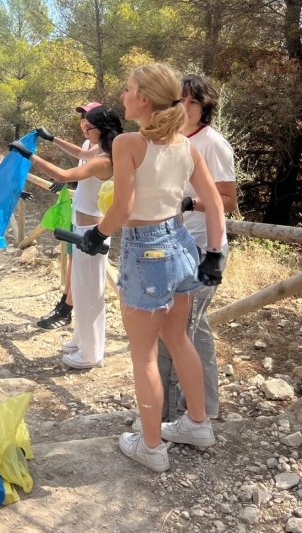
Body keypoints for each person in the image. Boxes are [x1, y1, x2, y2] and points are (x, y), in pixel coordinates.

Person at [76, 63, 225, 472]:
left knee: (143, 355)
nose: (122, 96)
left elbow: (123, 207)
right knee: (178, 338)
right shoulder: (186, 147)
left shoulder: (128, 143)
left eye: (128, 89)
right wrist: (214, 254)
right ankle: (198, 424)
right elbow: (215, 202)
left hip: (145, 250)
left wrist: (96, 235)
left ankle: (152, 446)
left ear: (143, 99)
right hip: (180, 243)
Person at [9, 105, 123, 369]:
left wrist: (30, 156)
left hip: (93, 233)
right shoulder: (98, 150)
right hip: (82, 229)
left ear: (100, 130)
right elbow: (80, 153)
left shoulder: (104, 160)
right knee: (81, 290)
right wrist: (50, 140)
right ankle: (81, 340)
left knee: (90, 293)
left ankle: (91, 353)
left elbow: (63, 175)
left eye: (89, 126)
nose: (85, 129)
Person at [152, 74, 238, 424]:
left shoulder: (213, 143)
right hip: (173, 245)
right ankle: (201, 408)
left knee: (179, 330)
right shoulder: (172, 140)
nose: (185, 108)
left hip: (204, 249)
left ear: (205, 107)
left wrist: (190, 203)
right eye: (180, 101)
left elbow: (228, 200)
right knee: (193, 329)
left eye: (193, 102)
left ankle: (174, 414)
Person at [36, 102, 102, 330]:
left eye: (89, 118)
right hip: (78, 213)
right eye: (83, 118)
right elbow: (85, 171)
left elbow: (84, 158)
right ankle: (65, 305)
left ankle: (68, 311)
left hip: (94, 219)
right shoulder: (87, 143)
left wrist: (49, 141)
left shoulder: (103, 148)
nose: (84, 122)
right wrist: (70, 182)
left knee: (85, 272)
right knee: (73, 262)